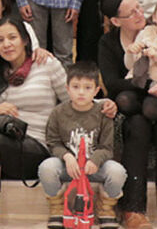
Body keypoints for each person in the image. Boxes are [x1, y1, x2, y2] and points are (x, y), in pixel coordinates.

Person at [0, 17, 72, 227]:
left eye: (12, 37)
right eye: (0, 40)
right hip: (3, 148)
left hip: (36, 146)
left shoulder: (46, 64)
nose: (6, 44)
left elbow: (72, 102)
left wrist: (101, 104)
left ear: (25, 40)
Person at [97, 0, 157, 228]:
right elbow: (112, 84)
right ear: (116, 21)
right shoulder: (108, 42)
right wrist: (149, 86)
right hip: (131, 107)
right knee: (136, 121)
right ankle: (133, 208)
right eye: (132, 12)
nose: (141, 14)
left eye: (140, 7)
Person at [39, 60, 125, 229]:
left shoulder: (103, 114)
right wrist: (66, 156)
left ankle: (106, 207)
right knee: (46, 168)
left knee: (117, 171)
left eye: (87, 88)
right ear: (67, 88)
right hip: (69, 167)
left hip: (94, 168)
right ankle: (57, 206)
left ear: (96, 90)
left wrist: (95, 160)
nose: (81, 92)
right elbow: (53, 142)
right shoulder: (58, 113)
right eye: (76, 86)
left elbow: (107, 148)